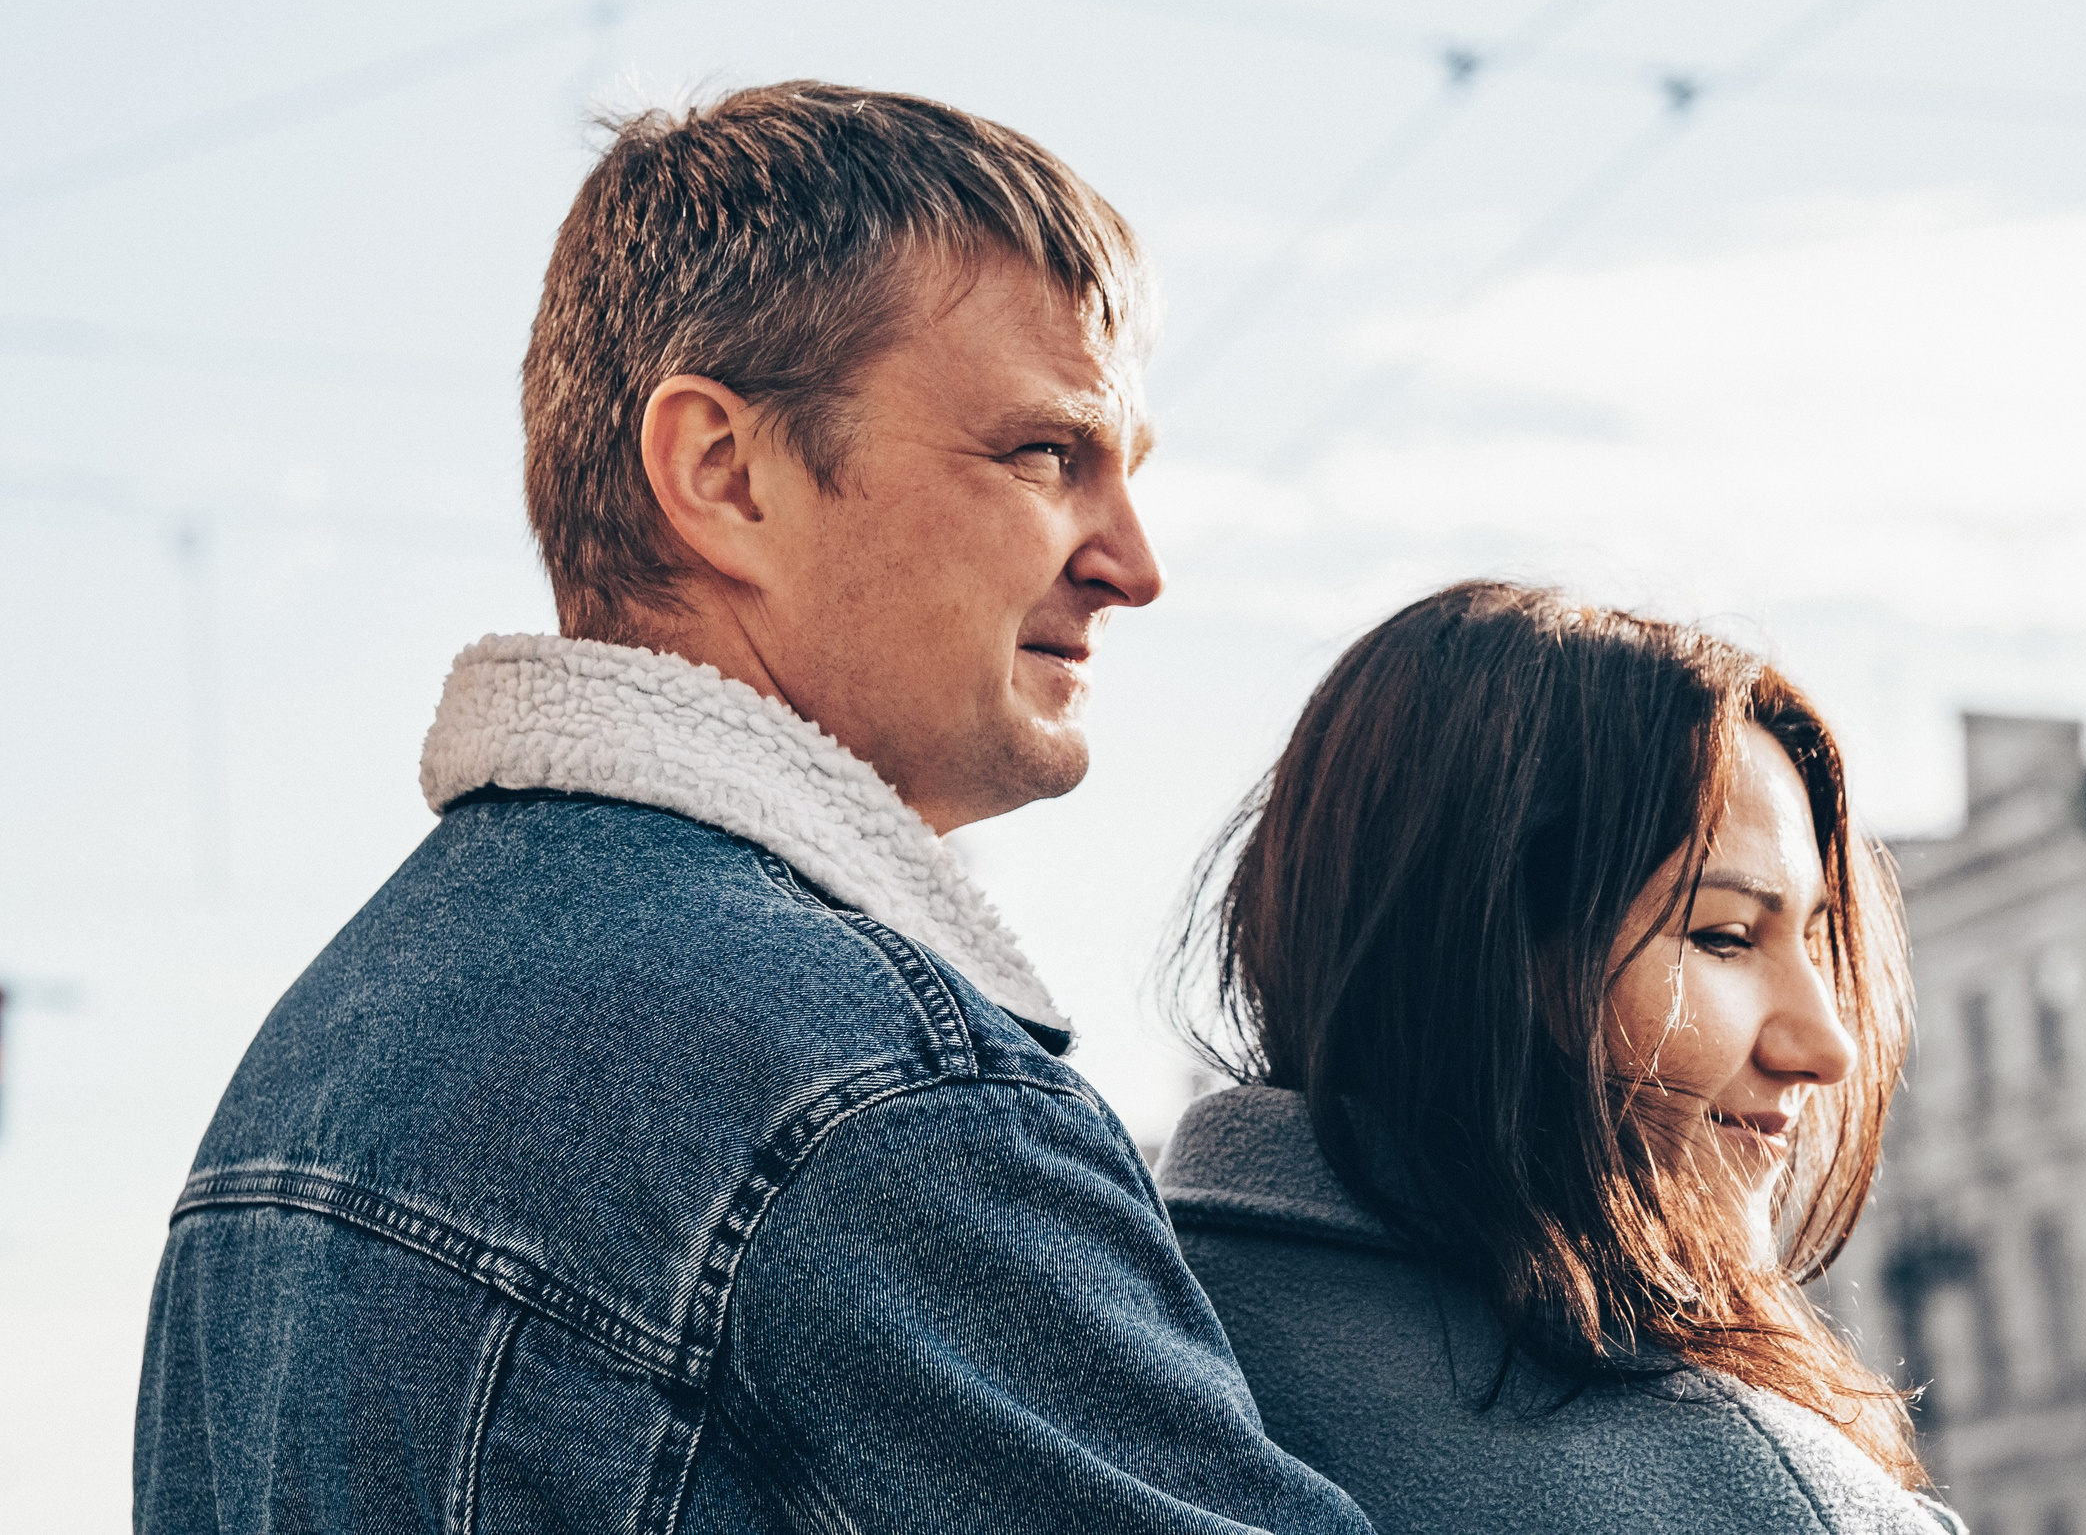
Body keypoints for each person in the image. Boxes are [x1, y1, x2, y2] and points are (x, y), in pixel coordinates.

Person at [134, 83, 1370, 1534]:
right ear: (723, 473)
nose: (1133, 561)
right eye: (1045, 453)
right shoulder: (873, 1095)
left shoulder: (309, 1055)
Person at [1158, 581, 1965, 1534]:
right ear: (1481, 953)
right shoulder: (1752, 1497)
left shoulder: (1071, 1329)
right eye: (1725, 936)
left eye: (1818, 942)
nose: (1825, 1045)